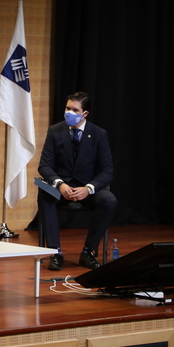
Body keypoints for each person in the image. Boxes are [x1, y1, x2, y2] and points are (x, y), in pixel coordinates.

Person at [38, 91, 117, 271]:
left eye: (75, 110)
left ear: (85, 114)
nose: (69, 113)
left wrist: (88, 188)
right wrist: (60, 183)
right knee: (45, 193)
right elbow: (44, 166)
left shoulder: (98, 134)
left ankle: (88, 251)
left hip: (86, 188)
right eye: (67, 108)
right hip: (61, 187)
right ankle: (54, 252)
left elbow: (108, 170)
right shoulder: (54, 131)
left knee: (109, 200)